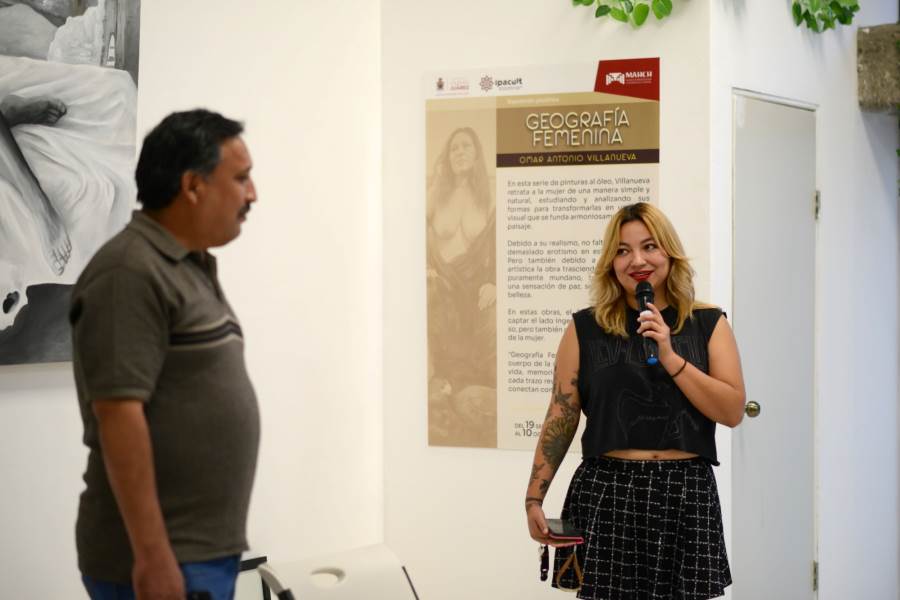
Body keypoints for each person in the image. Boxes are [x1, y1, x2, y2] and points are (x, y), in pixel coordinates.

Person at [70, 109, 259, 600]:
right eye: (241, 178)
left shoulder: (186, 265)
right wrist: (153, 556)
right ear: (193, 186)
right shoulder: (128, 272)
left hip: (199, 554)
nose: (252, 195)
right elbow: (118, 415)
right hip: (155, 563)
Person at [524, 202, 746, 599]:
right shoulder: (585, 328)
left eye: (649, 246)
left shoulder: (709, 323)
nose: (637, 261)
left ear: (669, 253)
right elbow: (561, 415)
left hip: (685, 493)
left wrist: (670, 357)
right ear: (611, 263)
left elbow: (731, 411)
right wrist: (534, 498)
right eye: (623, 251)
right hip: (608, 491)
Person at [426, 126, 497, 446]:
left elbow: (497, 242)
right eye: (454, 148)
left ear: (477, 153)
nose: (460, 152)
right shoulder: (434, 193)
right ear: (447, 156)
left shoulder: (489, 196)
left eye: (466, 146)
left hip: (475, 284)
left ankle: (474, 391)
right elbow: (415, 235)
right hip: (442, 279)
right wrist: (424, 266)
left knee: (489, 317)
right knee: (433, 302)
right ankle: (445, 386)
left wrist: (494, 282)